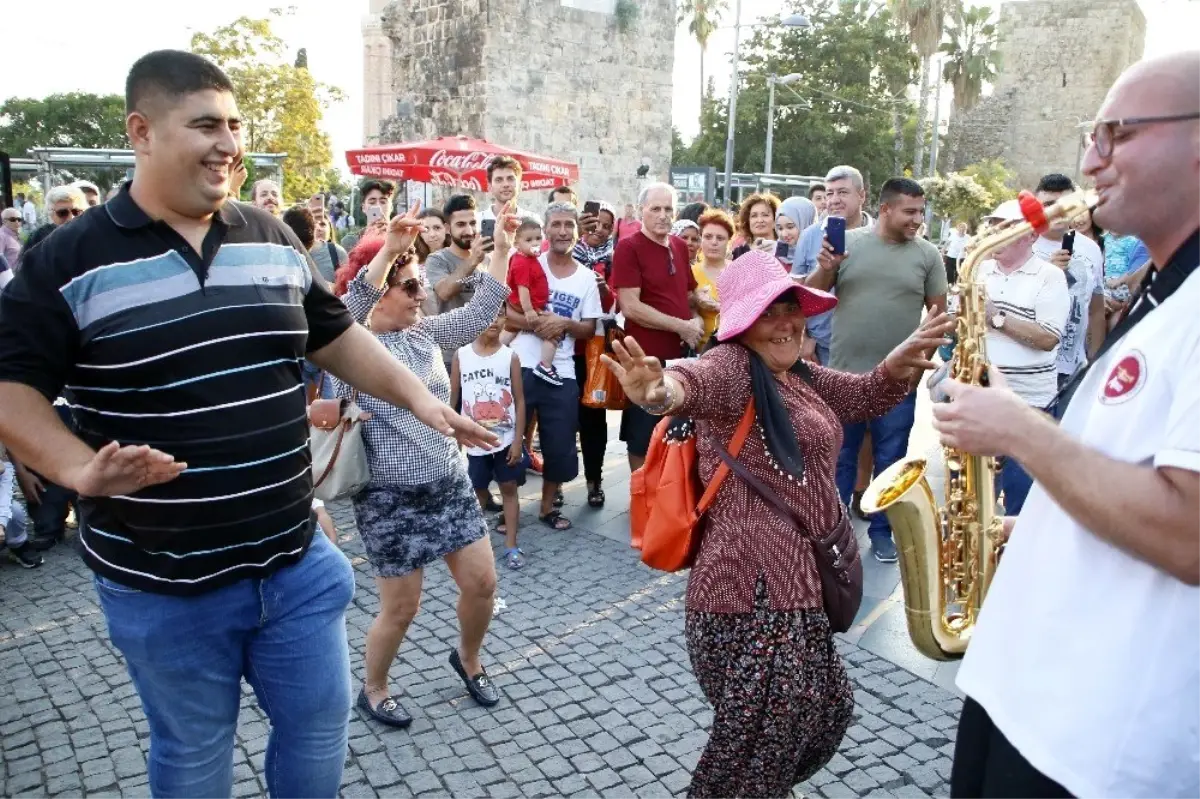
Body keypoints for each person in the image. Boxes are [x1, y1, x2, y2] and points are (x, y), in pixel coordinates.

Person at [0, 50, 494, 796]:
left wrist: (421, 399)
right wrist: (75, 468)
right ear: (141, 130)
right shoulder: (66, 259)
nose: (229, 142)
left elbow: (333, 335)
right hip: (165, 585)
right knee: (196, 753)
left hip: (292, 564)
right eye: (205, 124)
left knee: (319, 729)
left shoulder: (269, 234)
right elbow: (11, 388)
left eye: (234, 124)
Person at [937, 51, 1200, 799]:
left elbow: (1190, 533)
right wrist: (1052, 518)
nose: (1091, 159)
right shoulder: (1166, 287)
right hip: (1037, 701)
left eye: (1117, 133)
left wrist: (1019, 431)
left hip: (1096, 745)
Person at [603, 250, 953, 799]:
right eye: (771, 312)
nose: (788, 322)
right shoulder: (732, 369)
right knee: (751, 758)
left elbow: (861, 396)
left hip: (797, 588)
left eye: (792, 308)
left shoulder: (799, 375)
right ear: (743, 323)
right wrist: (657, 391)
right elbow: (687, 384)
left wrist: (899, 362)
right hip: (750, 595)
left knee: (825, 712)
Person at [332, 205, 515, 728]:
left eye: (420, 286)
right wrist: (390, 249)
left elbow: (482, 311)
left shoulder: (424, 334)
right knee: (402, 608)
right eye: (410, 287)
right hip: (389, 498)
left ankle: (469, 658)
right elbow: (350, 308)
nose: (421, 294)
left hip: (449, 485)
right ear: (383, 292)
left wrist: (500, 248)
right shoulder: (348, 349)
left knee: (482, 586)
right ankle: (374, 687)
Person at [807, 177, 947, 562]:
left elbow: (938, 318)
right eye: (910, 211)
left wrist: (915, 374)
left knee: (892, 460)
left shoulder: (928, 255)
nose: (917, 219)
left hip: (897, 383)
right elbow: (811, 296)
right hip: (843, 378)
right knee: (839, 457)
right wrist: (825, 268)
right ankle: (834, 537)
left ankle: (884, 533)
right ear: (885, 209)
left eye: (921, 211)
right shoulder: (847, 245)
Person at [504, 202, 603, 531]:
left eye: (569, 225)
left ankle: (548, 508)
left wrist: (562, 323)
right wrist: (537, 326)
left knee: (559, 443)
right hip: (522, 365)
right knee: (511, 439)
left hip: (562, 372)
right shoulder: (527, 263)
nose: (563, 231)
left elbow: (589, 328)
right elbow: (507, 313)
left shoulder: (588, 278)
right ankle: (510, 511)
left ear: (577, 231)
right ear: (545, 231)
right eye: (557, 224)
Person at [976, 199, 1070, 514]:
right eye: (993, 226)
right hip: (981, 397)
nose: (994, 234)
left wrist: (996, 317)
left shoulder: (1049, 276)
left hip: (1028, 405)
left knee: (1023, 501)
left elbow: (1047, 338)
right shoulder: (979, 269)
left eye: (1005, 228)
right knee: (975, 499)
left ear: (1031, 236)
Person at [611, 183, 702, 471]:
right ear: (641, 211)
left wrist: (698, 318)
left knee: (678, 432)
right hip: (646, 359)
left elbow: (688, 294)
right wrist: (681, 326)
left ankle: (669, 501)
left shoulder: (677, 244)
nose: (663, 215)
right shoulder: (629, 247)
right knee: (641, 436)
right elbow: (630, 306)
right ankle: (640, 500)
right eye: (655, 209)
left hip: (681, 359)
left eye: (668, 209)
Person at [452, 312, 527, 569]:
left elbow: (519, 400)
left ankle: (511, 544)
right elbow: (453, 399)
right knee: (477, 493)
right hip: (474, 443)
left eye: (500, 315)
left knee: (509, 489)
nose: (494, 321)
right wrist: (453, 437)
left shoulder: (510, 357)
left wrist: (518, 440)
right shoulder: (461, 356)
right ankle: (476, 549)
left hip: (505, 440)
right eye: (488, 315)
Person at [792, 165, 875, 366]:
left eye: (843, 192)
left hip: (870, 350)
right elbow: (796, 296)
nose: (834, 200)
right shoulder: (810, 236)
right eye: (830, 193)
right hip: (822, 350)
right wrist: (804, 338)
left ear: (862, 195)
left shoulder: (881, 236)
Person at [1032, 174, 1107, 386]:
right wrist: (1048, 276)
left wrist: (1095, 365)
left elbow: (1096, 311)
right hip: (1027, 372)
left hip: (1073, 373)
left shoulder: (1091, 249)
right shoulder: (1021, 246)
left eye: (1063, 205)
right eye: (1049, 205)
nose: (1057, 212)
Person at [571, 203, 618, 507]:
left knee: (593, 416)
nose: (599, 229)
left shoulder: (616, 258)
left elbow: (618, 304)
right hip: (563, 347)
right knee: (560, 417)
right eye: (593, 223)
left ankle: (594, 481)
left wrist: (602, 290)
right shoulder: (566, 253)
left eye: (606, 224)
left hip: (595, 348)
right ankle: (556, 484)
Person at [424, 194, 488, 369]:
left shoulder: (487, 259)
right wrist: (473, 261)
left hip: (485, 352)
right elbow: (444, 292)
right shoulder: (437, 259)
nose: (469, 231)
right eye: (461, 225)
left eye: (473, 223)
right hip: (452, 356)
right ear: (447, 228)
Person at [501, 219, 562, 385]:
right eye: (528, 240)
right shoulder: (522, 263)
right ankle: (545, 366)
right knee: (554, 332)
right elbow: (523, 288)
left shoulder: (524, 257)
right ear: (517, 243)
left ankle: (495, 351)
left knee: (511, 330)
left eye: (537, 238)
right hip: (526, 306)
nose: (534, 243)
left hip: (525, 305)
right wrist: (529, 311)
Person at [692, 208, 735, 350]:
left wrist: (717, 306)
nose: (714, 242)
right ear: (701, 239)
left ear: (729, 241)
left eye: (720, 238)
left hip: (735, 346)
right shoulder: (690, 273)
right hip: (700, 350)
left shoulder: (739, 271)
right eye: (708, 237)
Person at [732, 192, 781, 258]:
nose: (760, 220)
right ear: (748, 221)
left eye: (765, 215)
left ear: (775, 219)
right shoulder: (738, 253)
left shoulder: (786, 250)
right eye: (754, 216)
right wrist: (751, 255)